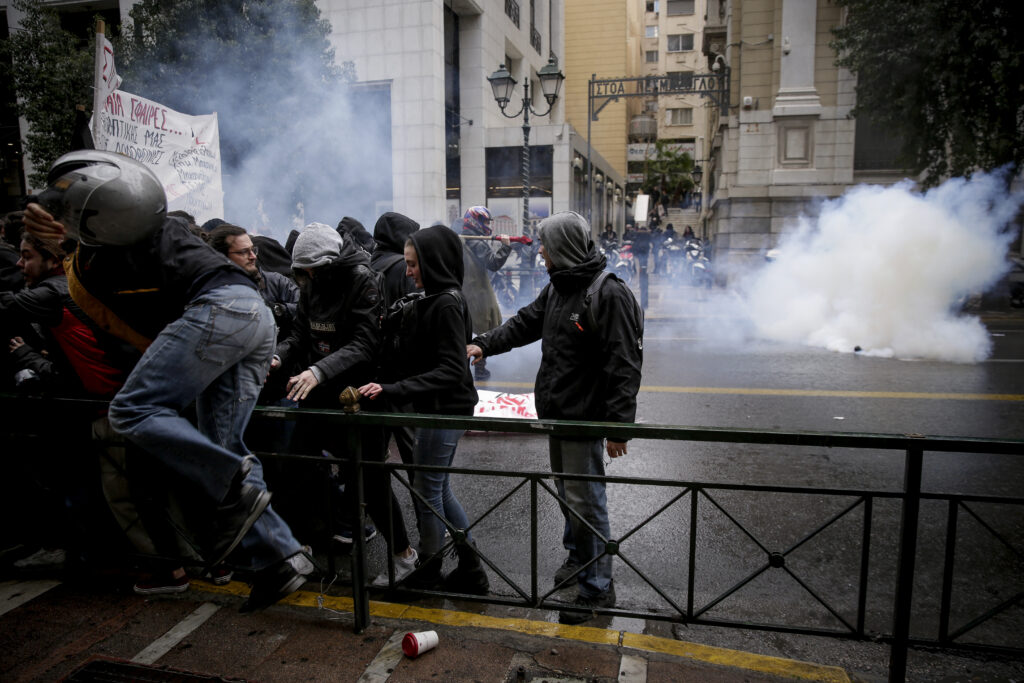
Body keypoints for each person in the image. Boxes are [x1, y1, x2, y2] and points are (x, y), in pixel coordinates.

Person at [23, 150, 310, 612]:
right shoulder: (168, 229)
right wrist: (52, 213)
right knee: (228, 446)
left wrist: (43, 206)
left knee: (132, 410)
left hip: (218, 312)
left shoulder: (101, 256)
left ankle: (231, 483)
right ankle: (280, 558)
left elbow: (125, 318)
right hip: (253, 317)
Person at [466, 211, 643, 624]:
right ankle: (576, 559)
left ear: (563, 248)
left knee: (586, 502)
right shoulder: (560, 286)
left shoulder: (608, 293)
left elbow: (625, 363)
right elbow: (527, 322)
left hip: (583, 417)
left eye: (546, 244)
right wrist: (485, 345)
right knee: (569, 494)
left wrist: (619, 426)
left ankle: (597, 587)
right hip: (558, 412)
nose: (540, 251)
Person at [272, 222, 417, 570]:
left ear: (327, 263)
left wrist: (319, 370)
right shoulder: (311, 283)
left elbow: (365, 344)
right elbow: (300, 334)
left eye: (309, 269)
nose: (304, 276)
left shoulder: (363, 280)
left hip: (357, 394)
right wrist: (278, 355)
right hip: (316, 390)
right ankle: (298, 549)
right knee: (295, 470)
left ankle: (403, 556)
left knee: (369, 478)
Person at [359, 224, 488, 594]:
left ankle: (431, 568)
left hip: (444, 409)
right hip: (439, 407)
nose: (409, 270)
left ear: (433, 262)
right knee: (436, 487)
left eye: (414, 264)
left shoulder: (446, 302)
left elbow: (450, 369)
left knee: (427, 489)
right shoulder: (437, 298)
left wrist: (394, 389)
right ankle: (470, 567)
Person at [459, 206, 511, 381]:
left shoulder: (466, 239)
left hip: (468, 290)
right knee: (482, 329)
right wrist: (505, 247)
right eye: (486, 221)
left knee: (469, 329)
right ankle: (479, 368)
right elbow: (493, 263)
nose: (488, 225)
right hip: (477, 292)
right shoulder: (475, 242)